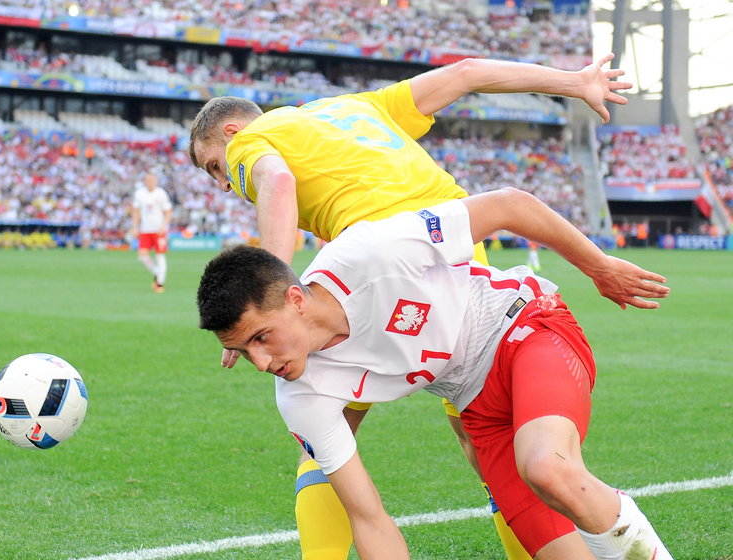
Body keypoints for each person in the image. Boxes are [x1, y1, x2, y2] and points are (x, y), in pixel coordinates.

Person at [189, 53, 633, 559]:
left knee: (323, 434)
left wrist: (259, 295)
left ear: (229, 131)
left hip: (378, 270)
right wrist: (574, 81)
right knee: (486, 441)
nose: (224, 183)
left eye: (213, 167)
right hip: (458, 253)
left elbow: (278, 181)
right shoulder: (353, 108)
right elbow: (466, 73)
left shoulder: (249, 141)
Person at [196, 187, 673, 560]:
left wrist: (600, 267)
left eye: (260, 337)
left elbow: (509, 205)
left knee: (547, 467)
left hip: (527, 325)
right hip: (475, 402)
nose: (261, 363)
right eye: (243, 350)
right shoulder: (300, 397)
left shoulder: (369, 253)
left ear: (295, 300)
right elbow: (369, 518)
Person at [131, 171, 172, 293]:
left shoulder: (161, 194)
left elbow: (168, 212)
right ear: (145, 182)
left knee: (160, 256)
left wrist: (163, 226)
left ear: (155, 181)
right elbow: (136, 211)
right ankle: (157, 272)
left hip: (158, 230)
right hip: (145, 229)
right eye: (148, 180)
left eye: (152, 180)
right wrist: (134, 227)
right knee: (142, 256)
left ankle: (160, 283)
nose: (150, 183)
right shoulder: (140, 194)